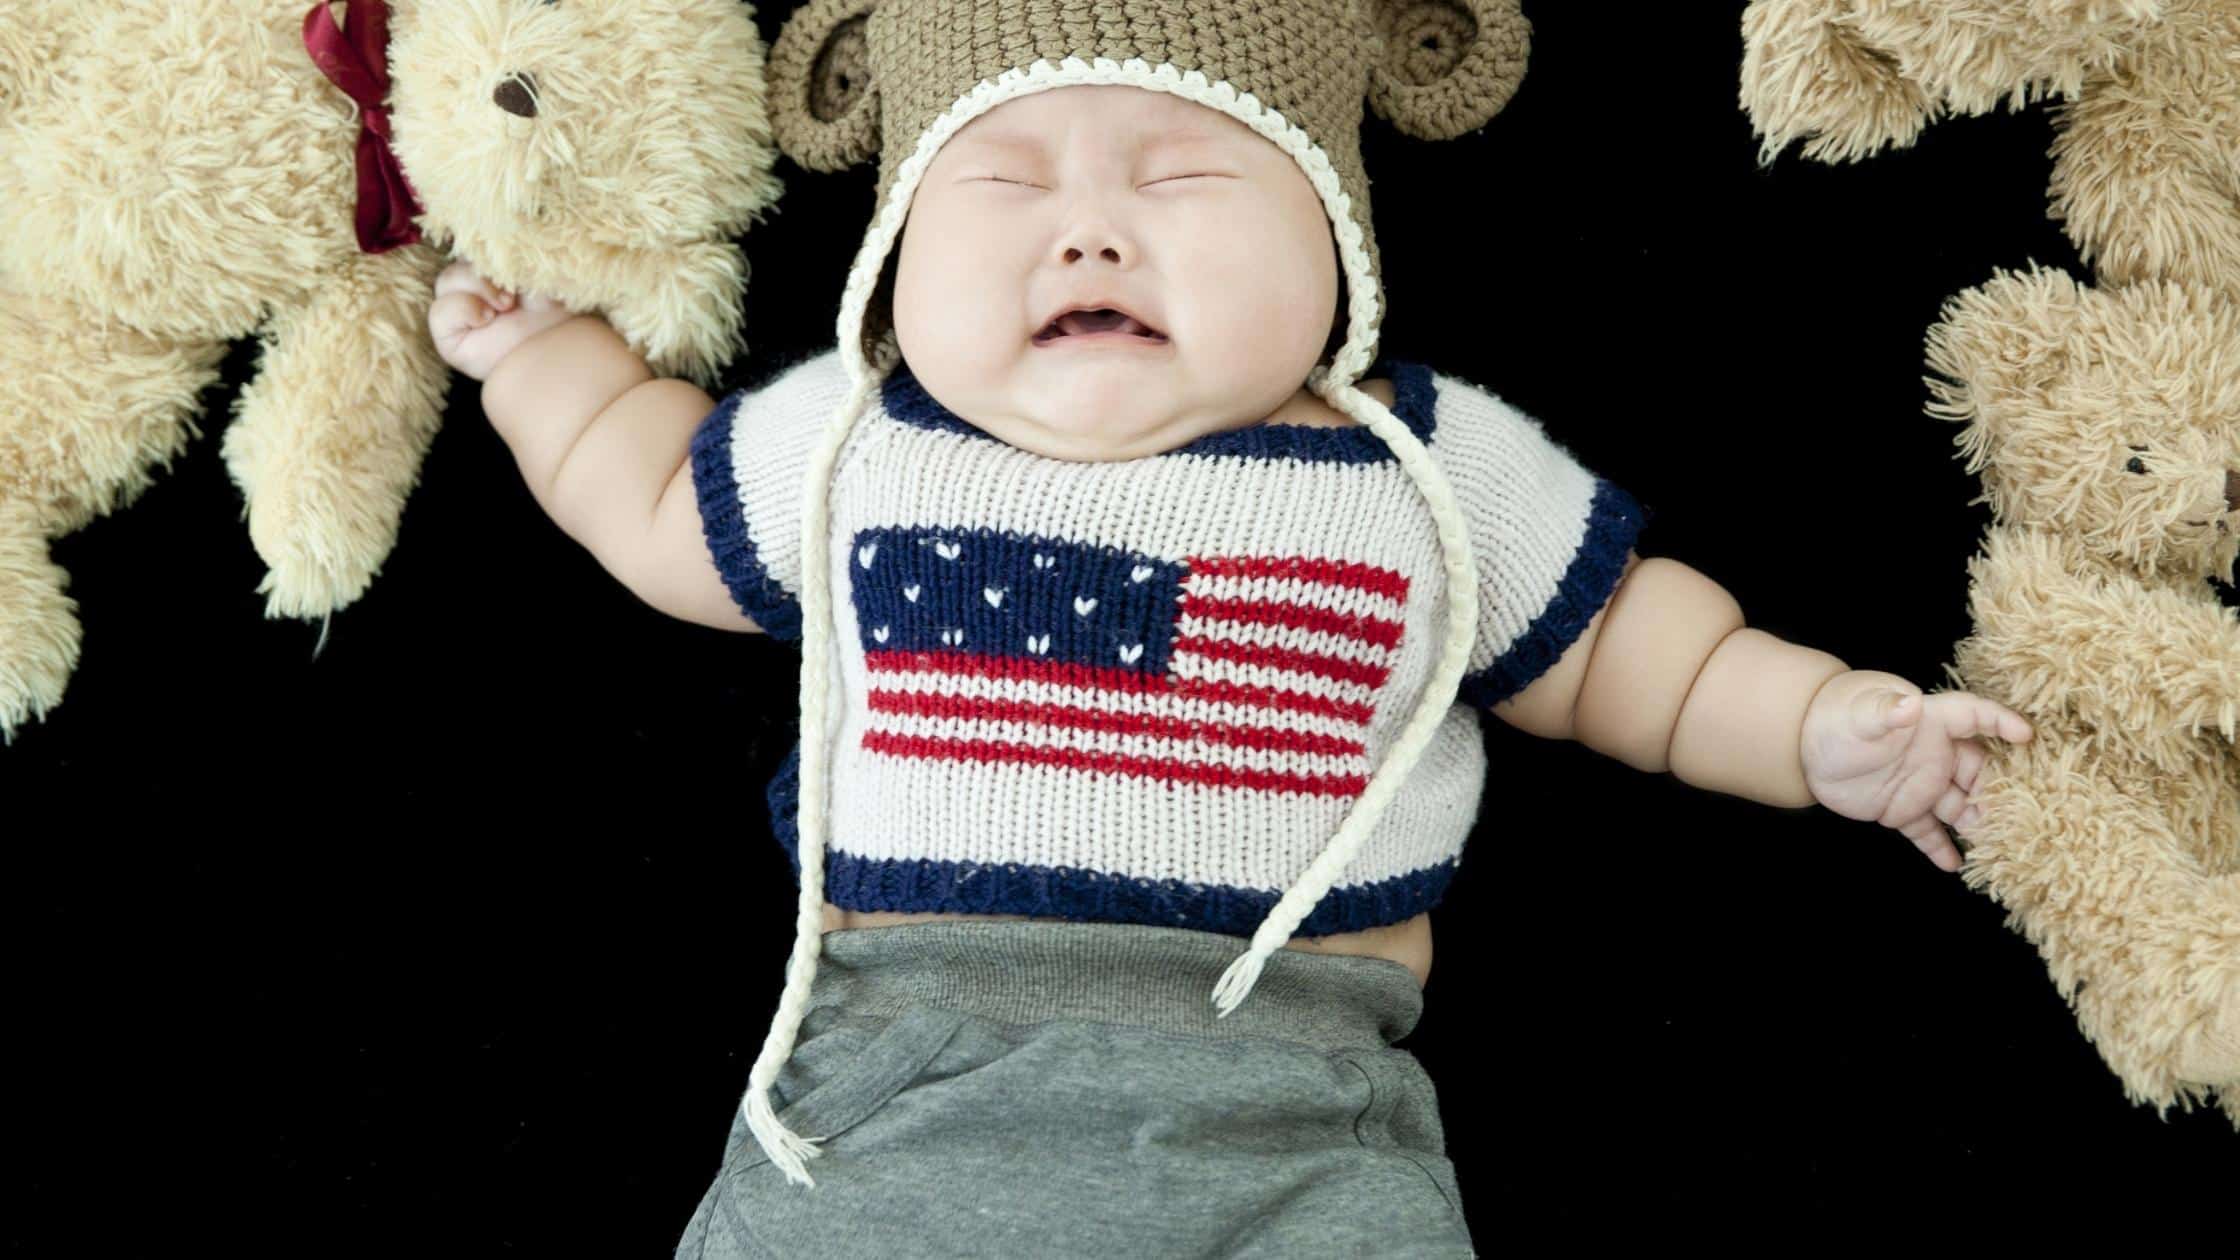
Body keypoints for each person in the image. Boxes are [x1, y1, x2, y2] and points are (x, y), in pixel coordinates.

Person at [427, 3, 2033, 1254]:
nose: (1089, 231)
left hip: (1292, 1098)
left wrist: (1824, 730)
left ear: (1336, 237)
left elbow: (1629, 654)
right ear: (897, 245)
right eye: (1003, 180)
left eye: (1185, 175)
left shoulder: (1416, 463)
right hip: (900, 1079)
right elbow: (645, 499)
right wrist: (541, 369)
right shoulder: (860, 442)